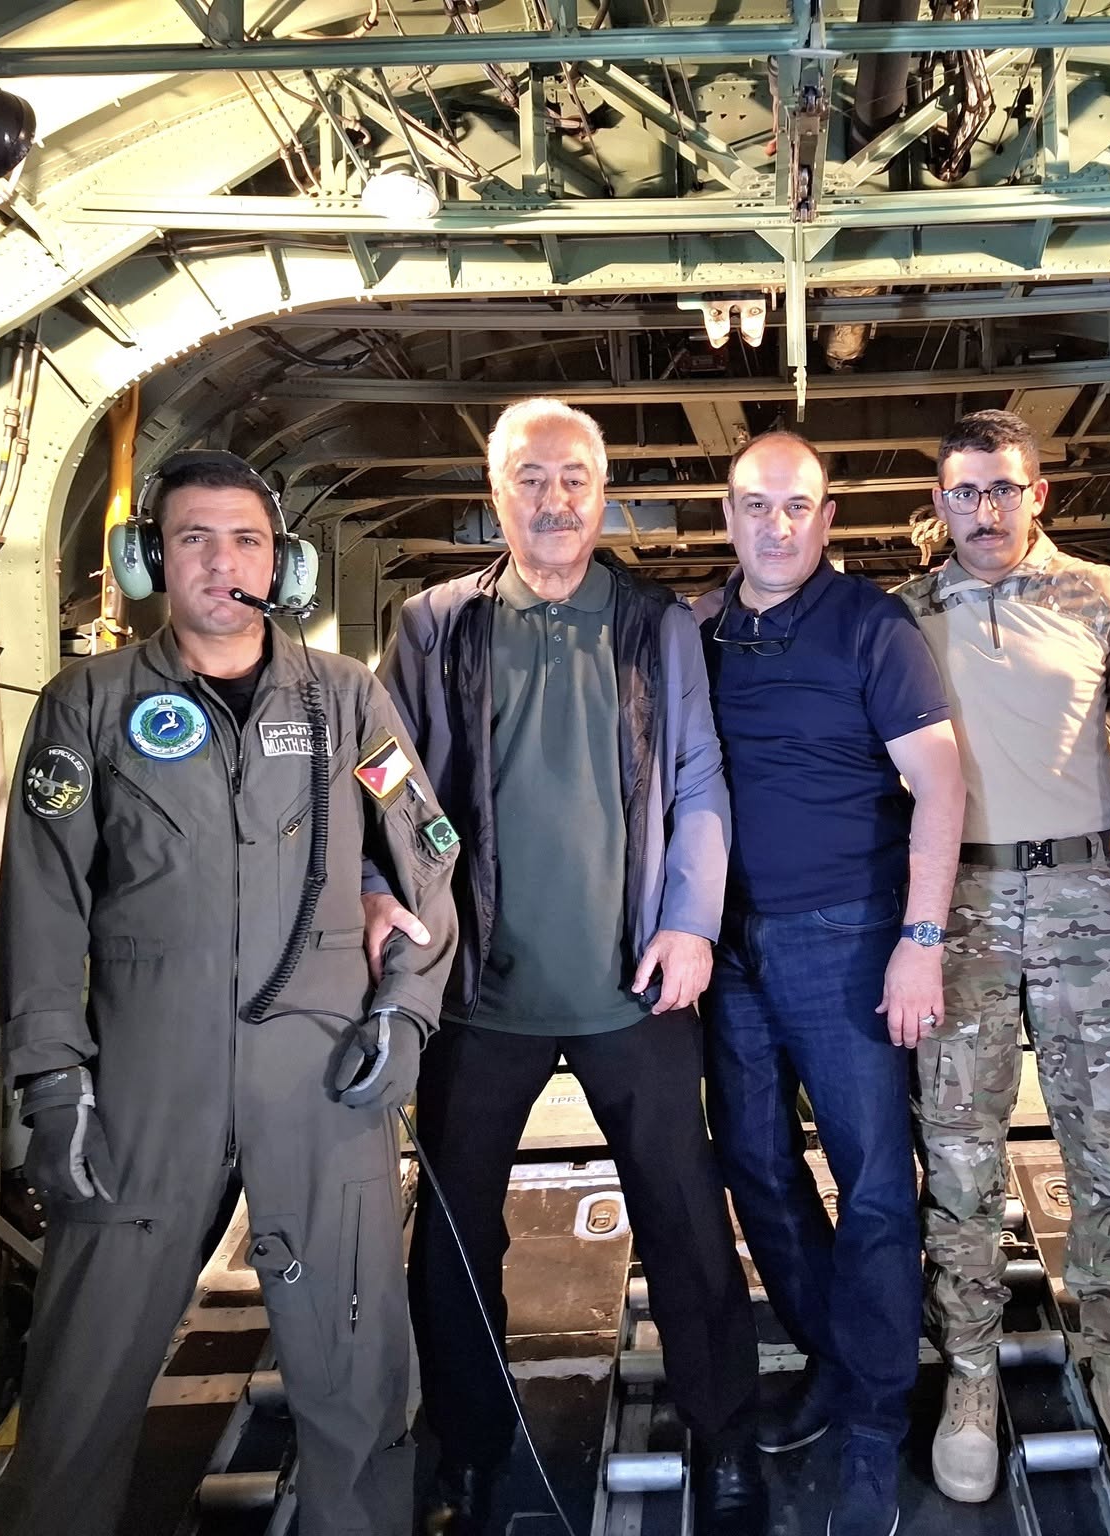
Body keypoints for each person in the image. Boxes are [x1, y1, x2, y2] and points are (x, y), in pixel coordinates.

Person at [0, 450, 461, 1536]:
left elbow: (428, 858)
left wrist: (405, 1009)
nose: (221, 562)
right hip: (146, 1083)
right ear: (150, 560)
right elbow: (43, 901)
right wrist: (51, 1076)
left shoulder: (348, 701)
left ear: (281, 565)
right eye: (193, 539)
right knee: (82, 1370)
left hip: (322, 1079)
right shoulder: (87, 704)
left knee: (356, 1366)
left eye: (246, 540)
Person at [363, 397, 765, 1536]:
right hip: (479, 989)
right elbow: (388, 773)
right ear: (496, 494)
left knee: (685, 1219)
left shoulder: (654, 624)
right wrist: (394, 886)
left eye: (573, 479)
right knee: (453, 1236)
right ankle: (468, 1446)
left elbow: (698, 778)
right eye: (530, 479)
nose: (553, 501)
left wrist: (689, 922)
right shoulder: (435, 625)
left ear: (602, 493)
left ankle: (724, 1431)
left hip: (632, 984)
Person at [895, 409, 1110, 1517]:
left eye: (1002, 488)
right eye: (964, 492)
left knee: (1107, 1150)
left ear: (1037, 494)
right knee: (959, 1155)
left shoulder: (1100, 600)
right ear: (939, 502)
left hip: (1081, 899)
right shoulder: (905, 614)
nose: (984, 511)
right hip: (957, 900)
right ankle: (969, 1375)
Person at [693, 431, 965, 1536]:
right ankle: (837, 1358)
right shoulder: (699, 632)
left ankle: (873, 1426)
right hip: (730, 949)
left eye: (797, 506)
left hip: (844, 936)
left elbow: (940, 788)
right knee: (756, 1167)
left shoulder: (871, 626)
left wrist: (919, 939)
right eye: (756, 506)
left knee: (874, 1188)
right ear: (727, 516)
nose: (776, 526)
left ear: (826, 516)